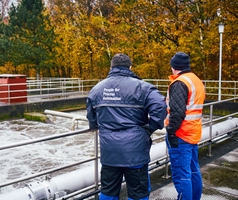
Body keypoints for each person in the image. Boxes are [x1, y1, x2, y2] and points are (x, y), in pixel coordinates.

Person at [86, 53, 167, 200]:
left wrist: (98, 125)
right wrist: (150, 127)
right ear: (130, 67)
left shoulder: (97, 89)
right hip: (135, 152)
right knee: (138, 193)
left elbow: (91, 119)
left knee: (108, 192)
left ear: (111, 67)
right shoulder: (142, 87)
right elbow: (161, 106)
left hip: (109, 151)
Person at [165, 52, 206, 200]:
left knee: (181, 175)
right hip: (193, 133)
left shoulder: (179, 82)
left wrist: (170, 132)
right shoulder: (196, 80)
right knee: (193, 171)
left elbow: (177, 113)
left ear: (174, 67)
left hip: (180, 135)